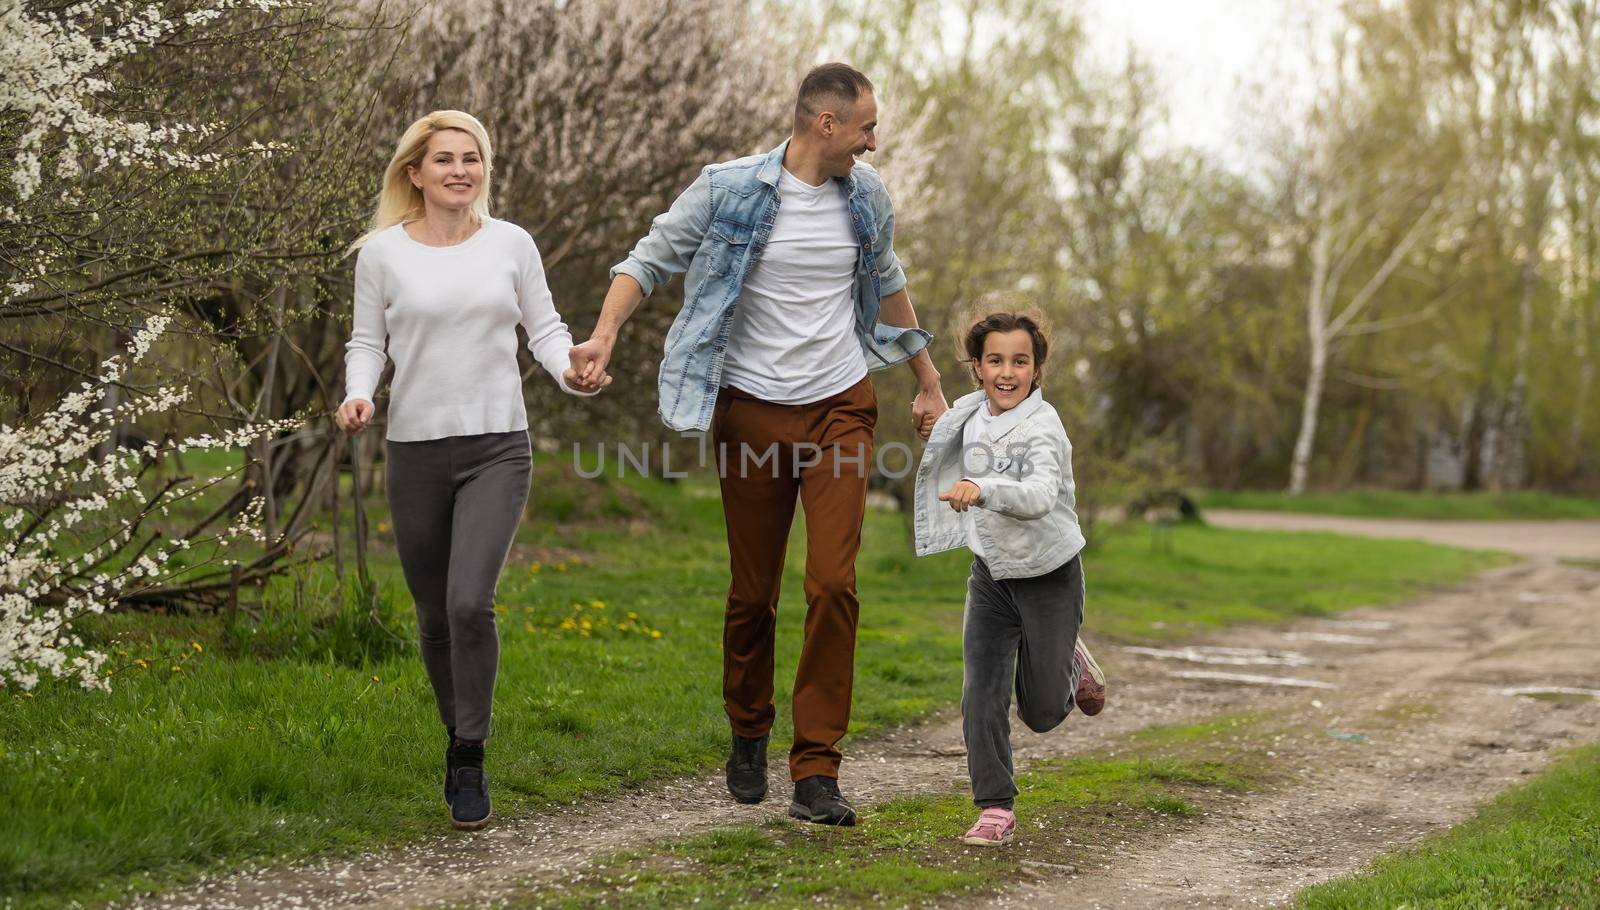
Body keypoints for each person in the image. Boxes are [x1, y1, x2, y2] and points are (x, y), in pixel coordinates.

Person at [568, 64, 948, 826]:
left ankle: (816, 770)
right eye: (866, 127)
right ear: (825, 124)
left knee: (834, 584)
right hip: (751, 411)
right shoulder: (728, 187)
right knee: (753, 594)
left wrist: (928, 380)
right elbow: (647, 259)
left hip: (840, 404)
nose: (875, 142)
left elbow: (888, 278)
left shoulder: (865, 196)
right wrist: (603, 335)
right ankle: (749, 728)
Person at [335, 110, 607, 830]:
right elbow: (369, 342)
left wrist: (569, 371)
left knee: (467, 604)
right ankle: (455, 731)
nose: (460, 170)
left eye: (472, 158)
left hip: (497, 447)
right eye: (445, 159)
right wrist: (359, 394)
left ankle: (469, 752)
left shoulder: (511, 245)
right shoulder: (382, 254)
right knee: (431, 614)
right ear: (415, 174)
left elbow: (544, 331)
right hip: (416, 450)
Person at [911, 310, 1106, 846]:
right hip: (991, 578)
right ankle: (994, 806)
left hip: (1050, 576)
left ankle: (1070, 659)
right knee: (982, 692)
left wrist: (985, 487)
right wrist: (930, 416)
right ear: (976, 366)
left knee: (1041, 713)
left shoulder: (1044, 427)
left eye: (1020, 361)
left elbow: (1042, 495)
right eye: (995, 360)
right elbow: (945, 431)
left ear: (1037, 367)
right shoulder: (970, 413)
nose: (1007, 371)